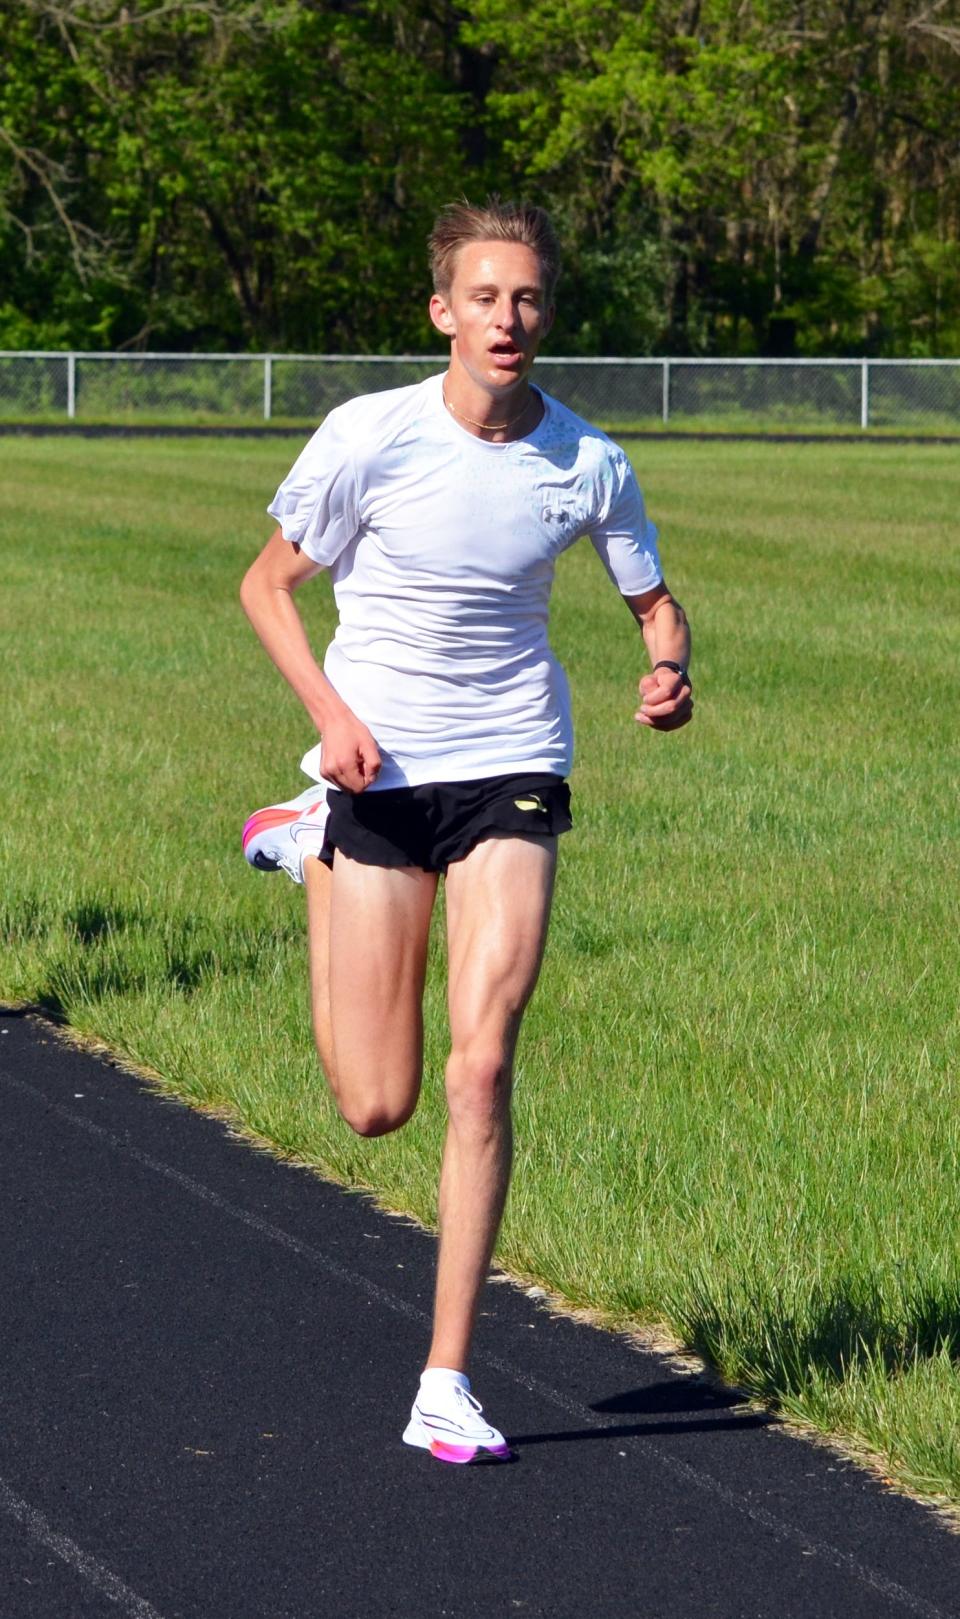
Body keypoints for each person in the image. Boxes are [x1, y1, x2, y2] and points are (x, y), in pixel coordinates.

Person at [239, 198, 693, 1465]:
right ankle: (308, 830)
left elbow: (655, 604)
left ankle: (446, 1378)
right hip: (376, 765)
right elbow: (266, 585)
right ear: (443, 310)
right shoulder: (368, 437)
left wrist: (671, 670)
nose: (510, 319)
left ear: (547, 313)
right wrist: (328, 714)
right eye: (485, 297)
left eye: (529, 298)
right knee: (375, 1103)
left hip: (511, 766)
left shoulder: (588, 460)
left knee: (481, 1064)